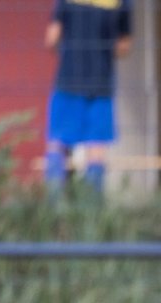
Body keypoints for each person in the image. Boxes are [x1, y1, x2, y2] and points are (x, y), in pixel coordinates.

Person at [44, 0, 132, 194]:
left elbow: (52, 39)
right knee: (96, 148)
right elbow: (123, 47)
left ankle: (52, 205)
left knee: (57, 145)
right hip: (100, 83)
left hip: (68, 80)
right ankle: (92, 209)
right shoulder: (121, 2)